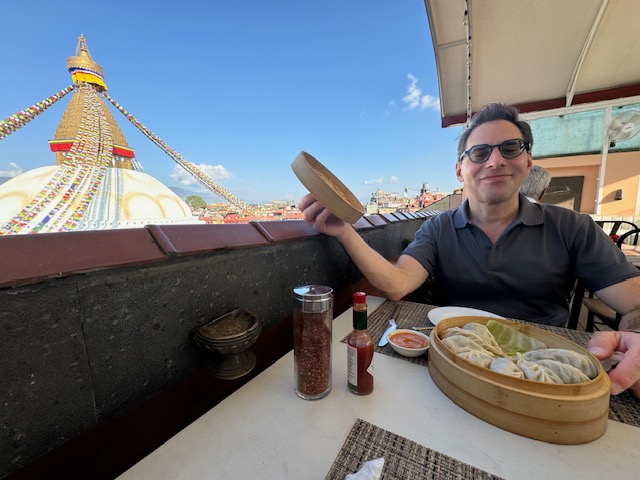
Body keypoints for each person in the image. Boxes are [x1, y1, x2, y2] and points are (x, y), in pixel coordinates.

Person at [298, 103, 640, 397]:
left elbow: (635, 302)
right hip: (454, 366)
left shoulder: (573, 227)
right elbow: (398, 282)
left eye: (510, 148)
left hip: (543, 376)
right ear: (460, 169)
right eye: (480, 152)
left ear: (527, 160)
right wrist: (344, 232)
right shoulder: (438, 227)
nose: (494, 161)